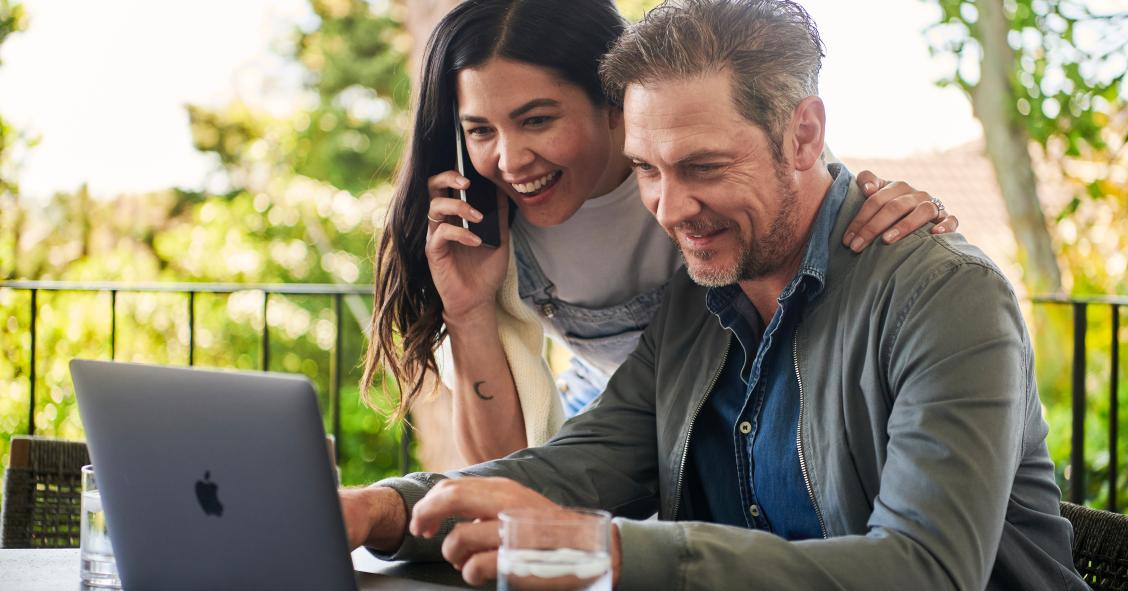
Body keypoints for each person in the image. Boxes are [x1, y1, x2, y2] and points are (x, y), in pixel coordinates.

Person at [340, 1, 1086, 588]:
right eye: (647, 171)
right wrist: (384, 508)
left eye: (702, 166)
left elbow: (926, 570)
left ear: (803, 136)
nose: (670, 209)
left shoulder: (945, 297)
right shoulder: (697, 302)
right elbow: (575, 465)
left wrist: (613, 553)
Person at [361, 0, 961, 464]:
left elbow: (823, 200)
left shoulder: (721, 153)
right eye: (480, 131)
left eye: (537, 120)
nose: (511, 160)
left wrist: (901, 209)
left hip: (744, 418)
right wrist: (467, 311)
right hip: (608, 419)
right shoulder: (488, 227)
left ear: (614, 102)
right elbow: (503, 467)